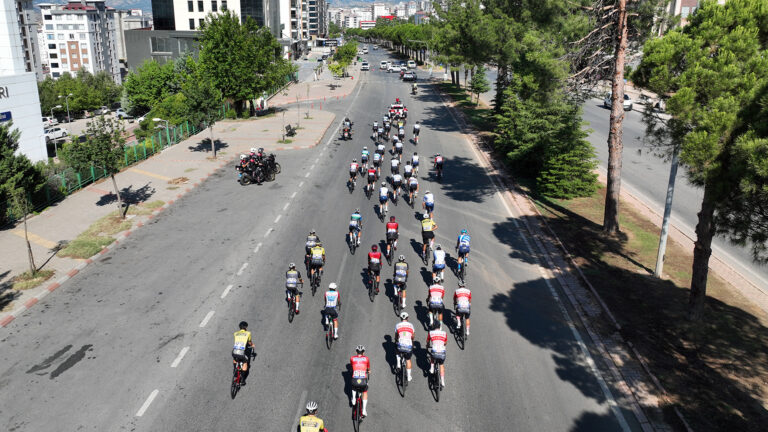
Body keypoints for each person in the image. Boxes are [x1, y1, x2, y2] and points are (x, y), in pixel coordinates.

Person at [350, 345, 371, 417]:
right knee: (365, 392)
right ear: (363, 352)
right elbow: (368, 368)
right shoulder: (366, 359)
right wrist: (368, 371)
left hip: (355, 380)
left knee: (353, 386)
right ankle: (364, 409)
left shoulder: (352, 358)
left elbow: (352, 366)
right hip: (363, 381)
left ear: (356, 352)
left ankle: (353, 399)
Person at [395, 312, 415, 382]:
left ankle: (398, 364)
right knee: (408, 359)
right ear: (407, 318)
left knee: (396, 348)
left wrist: (396, 340)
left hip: (400, 345)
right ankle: (409, 376)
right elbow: (412, 336)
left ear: (400, 318)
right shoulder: (411, 325)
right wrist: (412, 342)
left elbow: (396, 336)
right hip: (408, 346)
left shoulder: (397, 325)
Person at [427, 321, 447, 388]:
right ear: (439, 326)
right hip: (442, 352)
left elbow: (428, 341)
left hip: (434, 352)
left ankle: (432, 368)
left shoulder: (431, 333)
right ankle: (443, 381)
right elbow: (445, 342)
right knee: (441, 365)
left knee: (432, 356)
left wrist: (427, 346)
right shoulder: (444, 333)